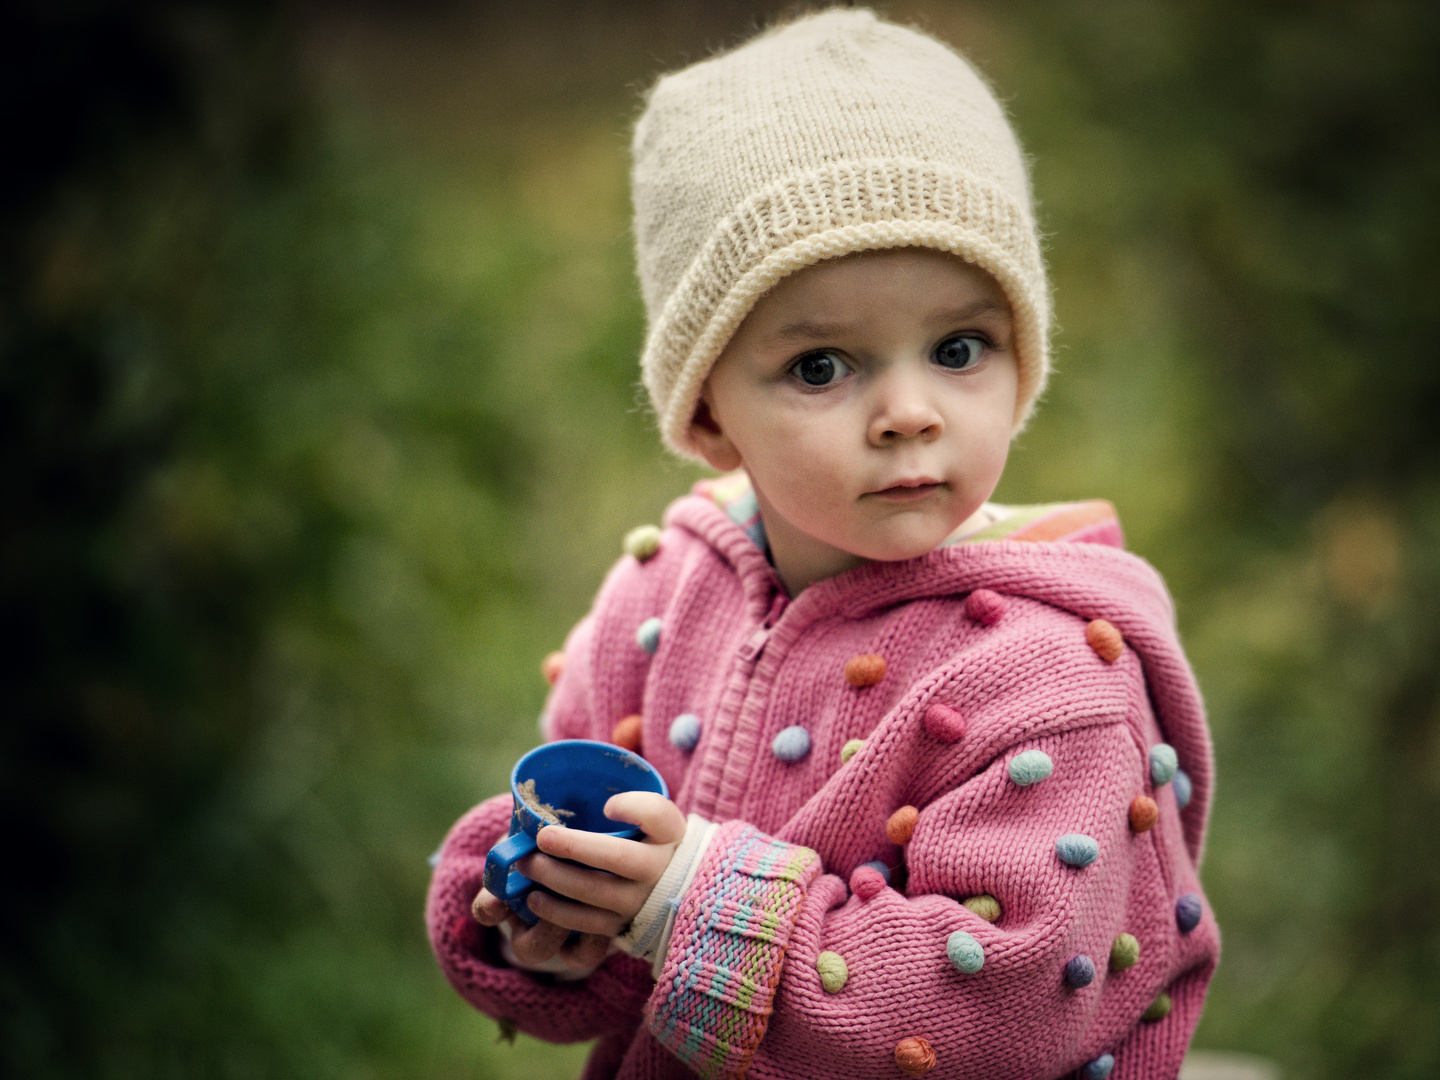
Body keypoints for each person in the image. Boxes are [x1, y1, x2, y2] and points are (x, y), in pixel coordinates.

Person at [426, 9, 1219, 1079]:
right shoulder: (664, 594)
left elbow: (1001, 1011)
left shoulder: (1053, 679)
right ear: (709, 416)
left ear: (1022, 363)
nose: (907, 411)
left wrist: (692, 905)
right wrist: (564, 930)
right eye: (820, 367)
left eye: (957, 347)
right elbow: (614, 973)